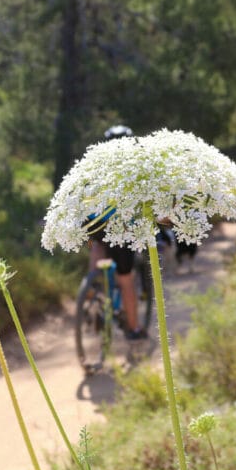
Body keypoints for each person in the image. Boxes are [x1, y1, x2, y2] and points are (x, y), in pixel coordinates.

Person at [88, 124, 148, 341]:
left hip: (94, 225)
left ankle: (91, 289)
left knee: (97, 244)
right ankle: (133, 328)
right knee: (126, 280)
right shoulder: (134, 169)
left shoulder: (95, 166)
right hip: (120, 229)